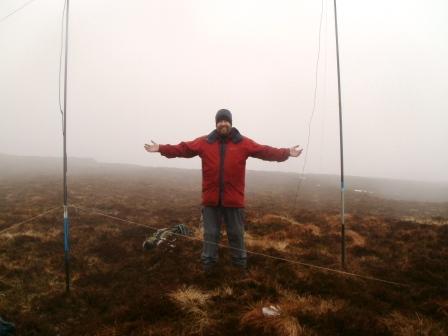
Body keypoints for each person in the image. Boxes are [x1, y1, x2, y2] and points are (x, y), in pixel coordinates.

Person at [144, 109, 303, 272]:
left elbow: (265, 151)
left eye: (226, 121)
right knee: (210, 235)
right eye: (220, 121)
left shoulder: (243, 143)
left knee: (236, 234)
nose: (223, 124)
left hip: (234, 200)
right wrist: (161, 148)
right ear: (216, 124)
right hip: (211, 200)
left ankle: (239, 266)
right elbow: (183, 149)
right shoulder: (205, 142)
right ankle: (208, 266)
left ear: (231, 123)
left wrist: (287, 152)